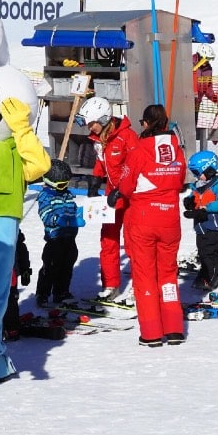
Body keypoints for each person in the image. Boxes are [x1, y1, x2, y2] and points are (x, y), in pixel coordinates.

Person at [119, 104, 188, 347]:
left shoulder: (139, 150)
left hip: (144, 219)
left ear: (146, 124)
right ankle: (174, 327)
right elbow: (180, 181)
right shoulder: (178, 151)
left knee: (145, 275)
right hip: (170, 218)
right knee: (168, 274)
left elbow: (126, 185)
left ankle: (150, 332)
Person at [80, 95, 138, 299]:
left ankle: (140, 285)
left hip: (131, 197)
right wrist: (95, 180)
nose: (90, 128)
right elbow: (101, 160)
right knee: (108, 239)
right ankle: (111, 283)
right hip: (111, 196)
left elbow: (134, 168)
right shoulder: (98, 139)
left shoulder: (127, 137)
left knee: (133, 241)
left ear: (103, 120)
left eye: (92, 124)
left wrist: (121, 189)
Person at [34, 159, 81, 306]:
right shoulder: (45, 196)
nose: (64, 188)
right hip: (55, 239)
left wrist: (78, 215)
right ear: (49, 182)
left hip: (69, 237)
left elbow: (73, 208)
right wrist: (57, 219)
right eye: (61, 185)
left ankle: (61, 292)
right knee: (51, 266)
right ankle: (43, 294)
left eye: (66, 184)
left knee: (67, 264)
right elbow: (45, 214)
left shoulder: (67, 195)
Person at [183, 150, 218, 291]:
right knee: (202, 251)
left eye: (198, 173)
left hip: (213, 225)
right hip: (201, 226)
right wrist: (189, 202)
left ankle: (212, 278)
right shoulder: (198, 186)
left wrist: (206, 208)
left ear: (209, 170)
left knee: (210, 252)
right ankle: (205, 273)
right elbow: (194, 197)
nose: (197, 176)